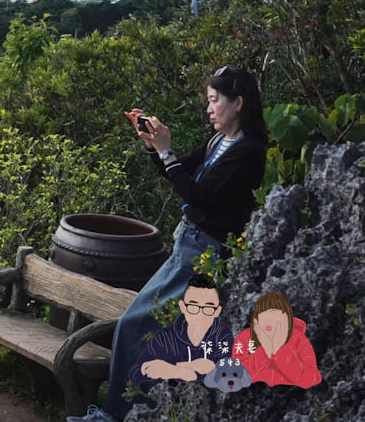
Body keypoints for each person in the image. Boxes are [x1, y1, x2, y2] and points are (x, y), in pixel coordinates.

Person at [68, 64, 268, 422]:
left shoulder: (248, 150)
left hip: (204, 255)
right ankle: (129, 412)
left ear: (238, 103)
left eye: (214, 100)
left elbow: (199, 195)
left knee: (136, 326)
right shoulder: (218, 141)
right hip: (186, 245)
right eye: (208, 101)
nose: (209, 108)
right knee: (141, 327)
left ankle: (115, 416)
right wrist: (155, 146)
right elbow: (177, 172)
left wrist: (166, 152)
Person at [126, 273, 233, 388]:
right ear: (183, 307)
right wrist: (181, 369)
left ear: (217, 311)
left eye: (208, 308)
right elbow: (135, 373)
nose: (200, 314)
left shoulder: (222, 336)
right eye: (193, 307)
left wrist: (175, 369)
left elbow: (228, 376)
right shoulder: (166, 337)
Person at [233, 291, 321, 388]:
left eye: (273, 314)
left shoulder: (298, 339)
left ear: (285, 318)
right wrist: (264, 351)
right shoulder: (245, 339)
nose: (268, 320)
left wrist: (280, 349)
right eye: (263, 315)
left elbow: (311, 378)